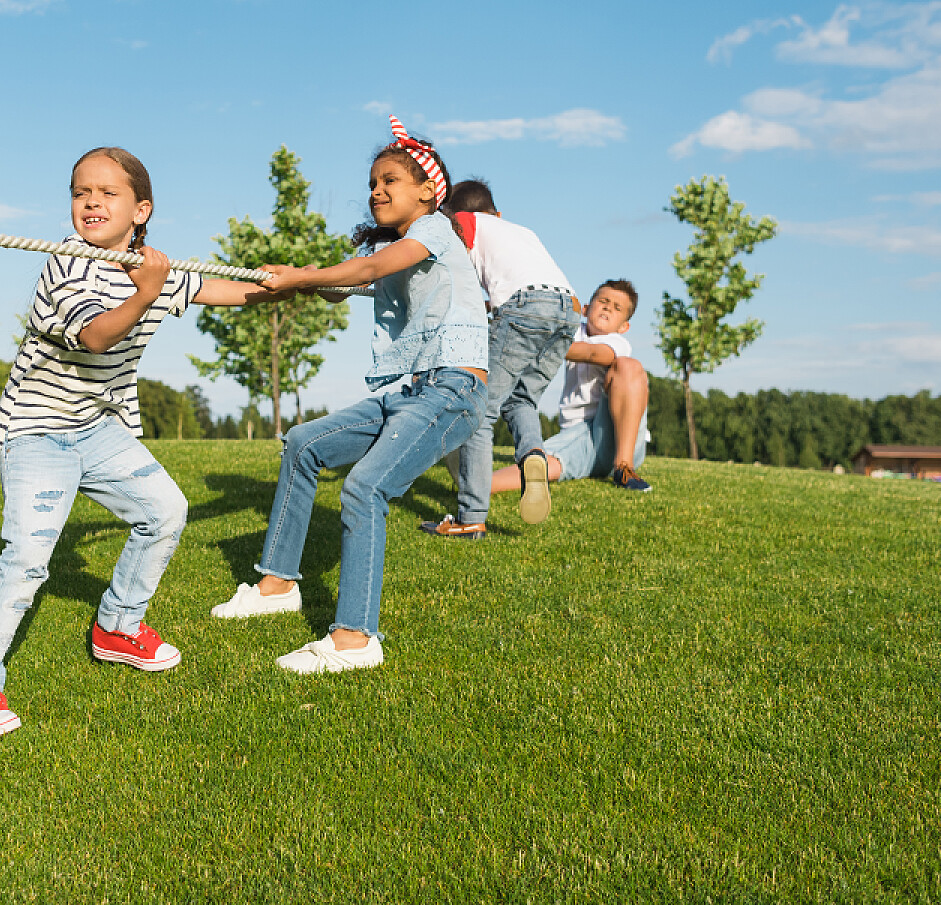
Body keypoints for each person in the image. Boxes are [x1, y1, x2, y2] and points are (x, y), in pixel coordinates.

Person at [0, 146, 278, 739]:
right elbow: (98, 336)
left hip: (97, 428)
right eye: (81, 193)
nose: (91, 202)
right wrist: (147, 290)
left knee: (165, 511)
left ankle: (118, 627)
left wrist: (294, 285)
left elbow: (229, 291)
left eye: (107, 193)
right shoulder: (65, 266)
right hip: (37, 431)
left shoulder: (153, 269)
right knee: (28, 556)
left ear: (140, 210)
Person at [209, 117, 489, 674]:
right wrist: (304, 278)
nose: (375, 191)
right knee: (305, 443)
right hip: (407, 391)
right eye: (372, 183)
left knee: (364, 488)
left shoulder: (434, 231)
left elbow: (368, 266)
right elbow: (350, 284)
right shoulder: (406, 250)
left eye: (389, 179)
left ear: (428, 192)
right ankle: (276, 585)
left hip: (450, 390)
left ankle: (355, 641)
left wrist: (302, 278)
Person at [417, 179, 580, 539]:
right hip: (568, 308)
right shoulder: (522, 231)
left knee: (479, 410)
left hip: (525, 306)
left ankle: (470, 517)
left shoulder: (466, 223)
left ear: (458, 216)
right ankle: (532, 453)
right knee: (522, 399)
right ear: (498, 212)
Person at [503, 279, 652, 518]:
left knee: (628, 367)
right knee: (542, 465)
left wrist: (537, 342)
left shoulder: (617, 342)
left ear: (624, 326)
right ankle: (474, 485)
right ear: (585, 309)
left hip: (619, 438)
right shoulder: (571, 332)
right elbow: (544, 323)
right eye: (603, 302)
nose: (607, 308)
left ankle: (624, 468)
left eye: (616, 308)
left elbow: (592, 353)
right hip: (582, 437)